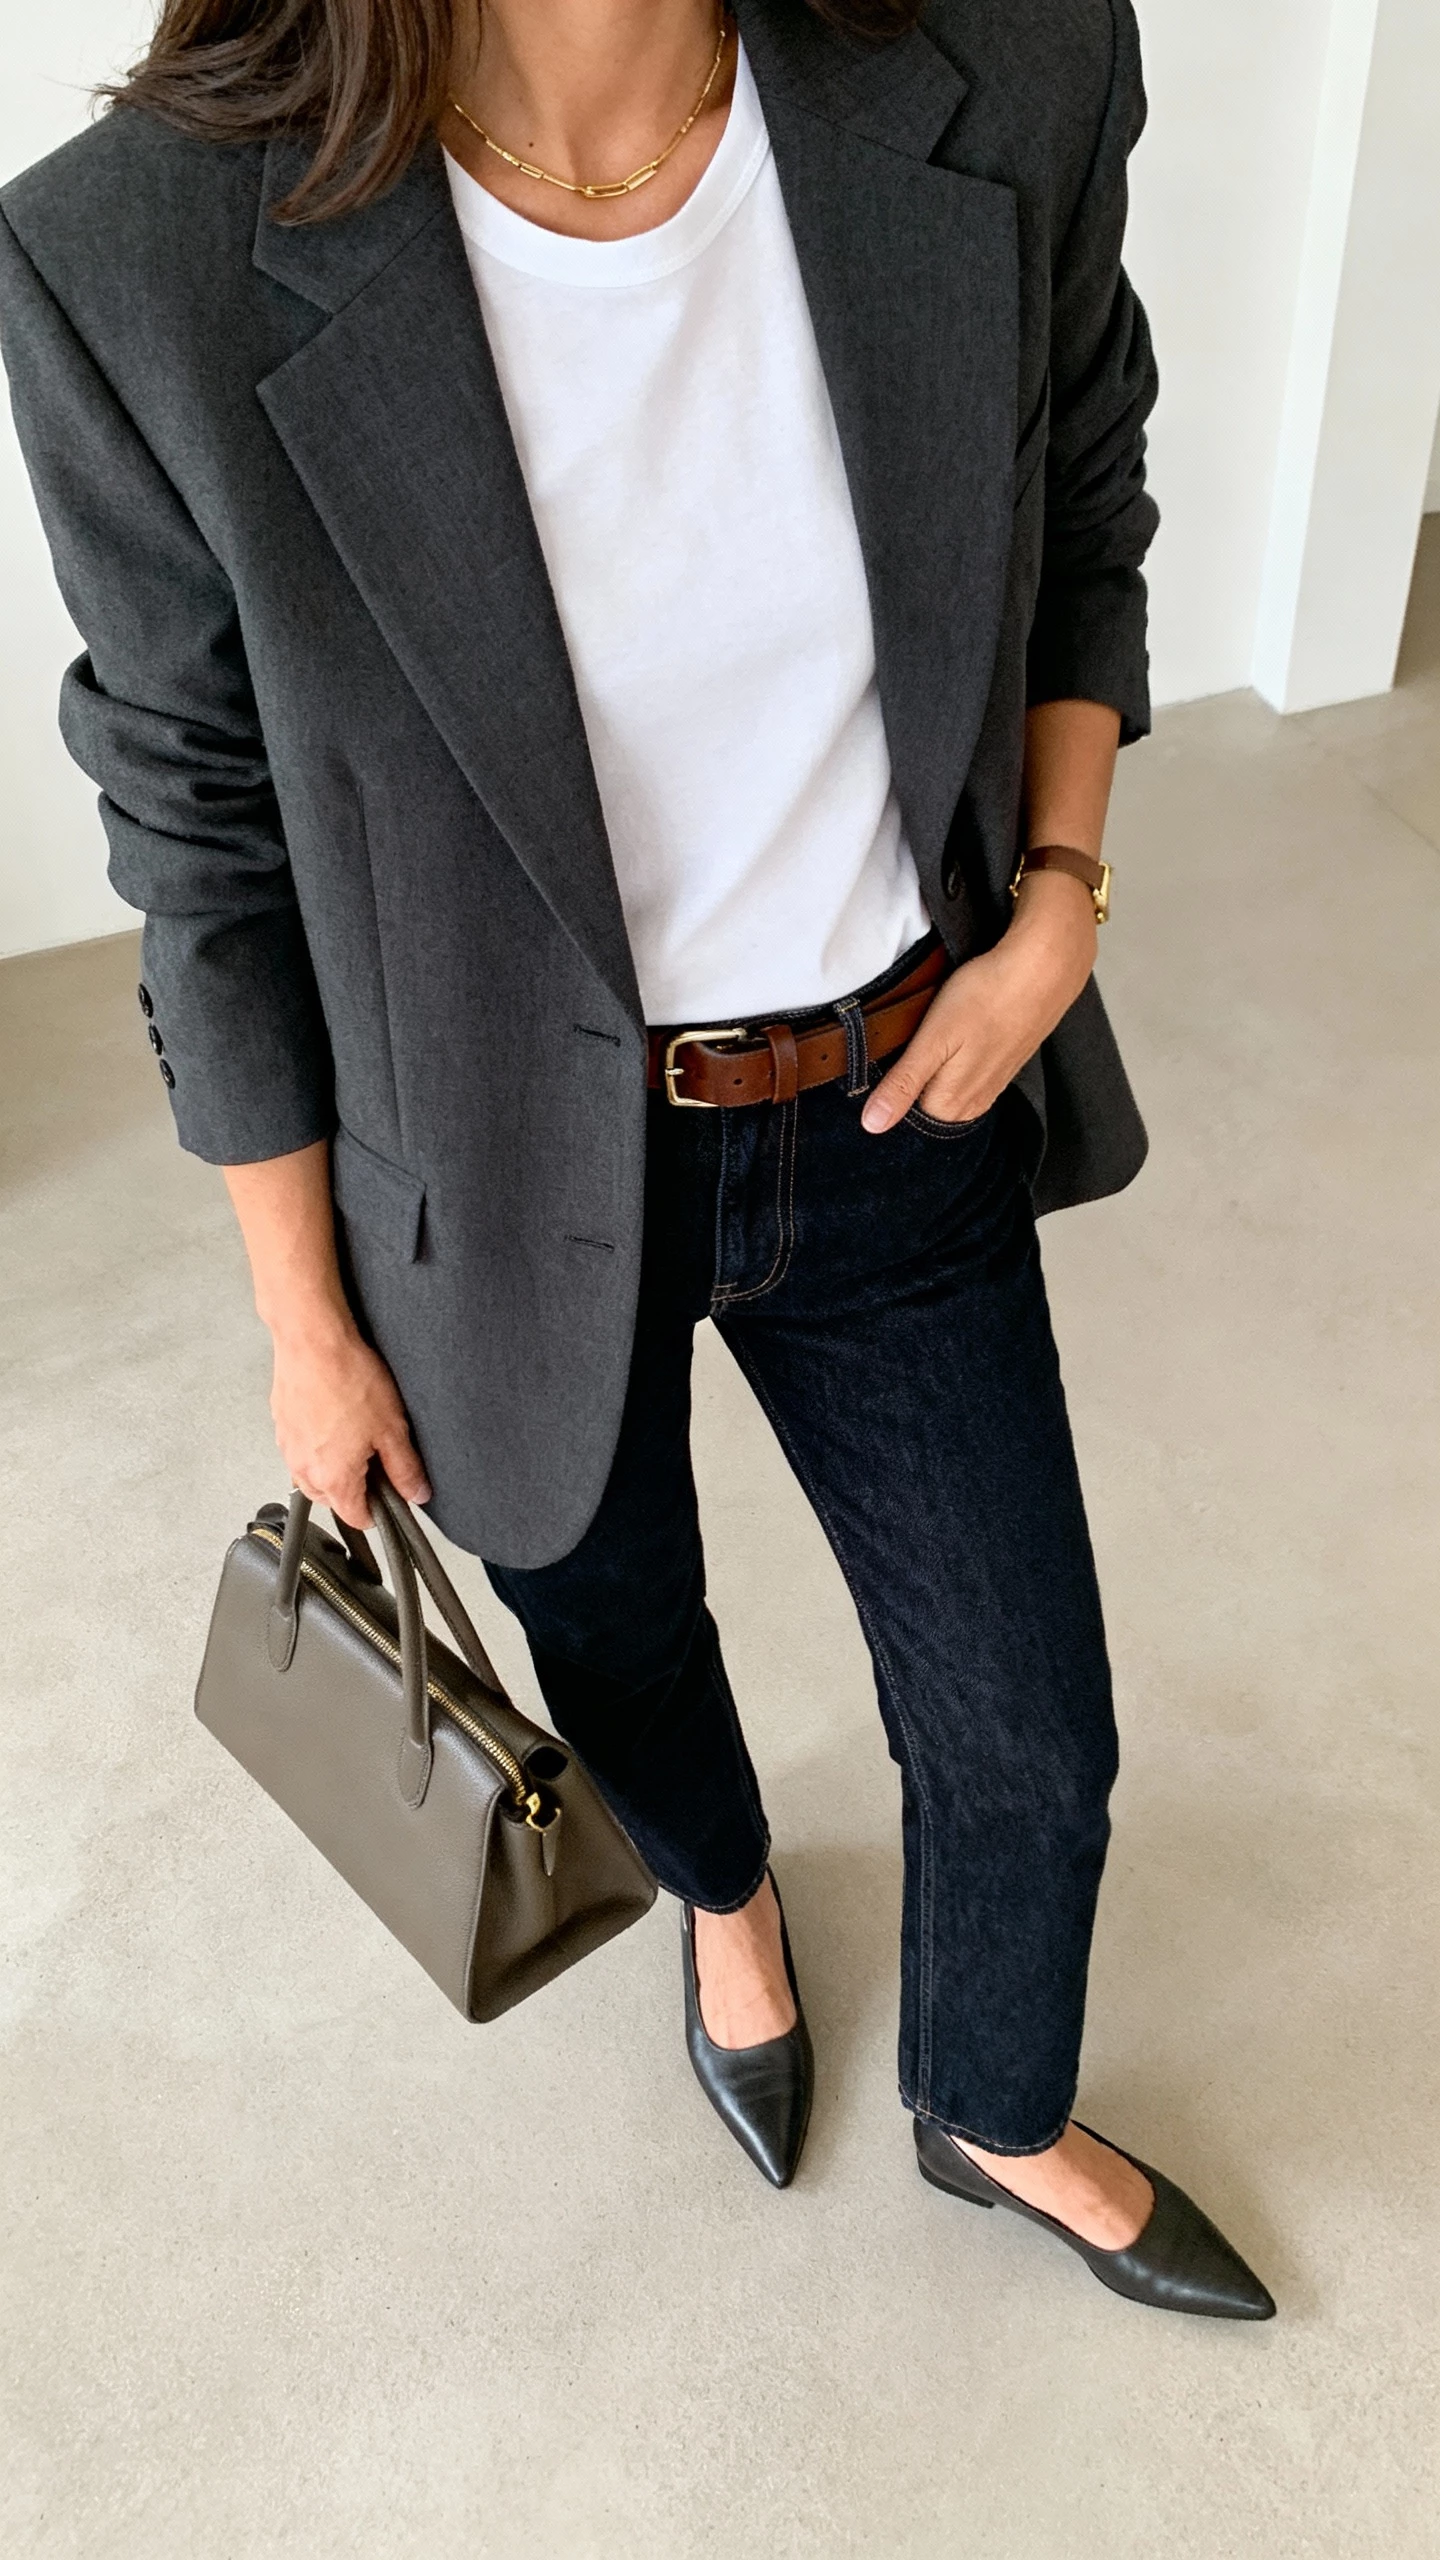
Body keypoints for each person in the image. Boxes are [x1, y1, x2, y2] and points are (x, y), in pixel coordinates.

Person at [0, 0, 1274, 2317]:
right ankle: (725, 1893)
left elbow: (1089, 482)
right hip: (487, 1158)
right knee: (622, 1640)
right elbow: (199, 830)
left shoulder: (1012, 66)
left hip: (905, 1098)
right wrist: (303, 1317)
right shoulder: (141, 257)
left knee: (1033, 1733)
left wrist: (1063, 900)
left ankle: (994, 2100)